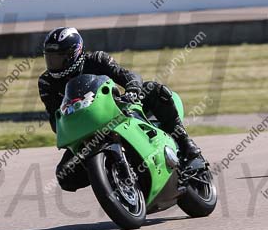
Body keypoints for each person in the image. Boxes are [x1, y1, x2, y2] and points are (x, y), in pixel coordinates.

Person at [38, 26, 201, 192]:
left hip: (116, 110)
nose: (53, 63)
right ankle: (109, 174)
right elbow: (55, 119)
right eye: (49, 58)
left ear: (75, 53)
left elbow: (129, 75)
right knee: (65, 176)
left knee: (154, 89)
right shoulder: (46, 83)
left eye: (59, 57)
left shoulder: (97, 59)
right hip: (85, 129)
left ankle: (186, 144)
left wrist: (132, 90)